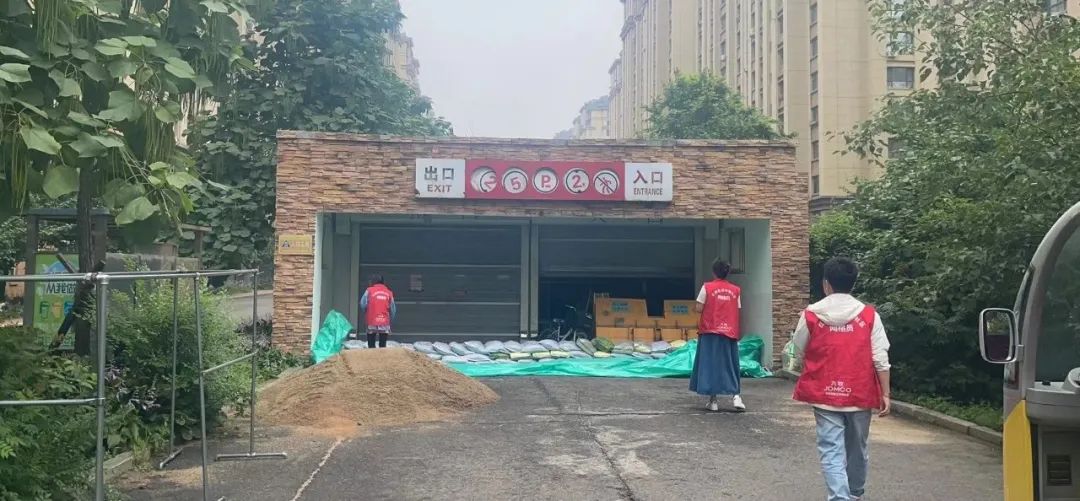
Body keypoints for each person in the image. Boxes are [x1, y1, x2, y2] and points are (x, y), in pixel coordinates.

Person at [791, 257, 891, 501]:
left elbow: (799, 346)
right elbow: (880, 358)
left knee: (831, 450)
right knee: (858, 448)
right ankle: (855, 494)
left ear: (826, 283)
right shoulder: (869, 316)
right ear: (853, 283)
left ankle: (840, 497)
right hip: (859, 392)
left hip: (824, 392)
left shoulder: (811, 314)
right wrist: (886, 393)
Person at [691, 259, 745, 412]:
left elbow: (699, 308)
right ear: (727, 273)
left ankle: (713, 401)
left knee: (711, 365)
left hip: (710, 331)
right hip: (729, 332)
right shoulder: (736, 290)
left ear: (713, 272)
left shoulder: (707, 287)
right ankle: (736, 396)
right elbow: (736, 308)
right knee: (731, 364)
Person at [360, 274, 396, 348]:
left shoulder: (369, 290)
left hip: (371, 320)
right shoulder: (389, 292)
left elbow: (362, 303)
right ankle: (381, 354)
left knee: (371, 343)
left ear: (374, 282)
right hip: (384, 321)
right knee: (382, 344)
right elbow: (393, 309)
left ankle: (372, 353)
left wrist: (366, 312)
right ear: (383, 282)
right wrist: (390, 320)